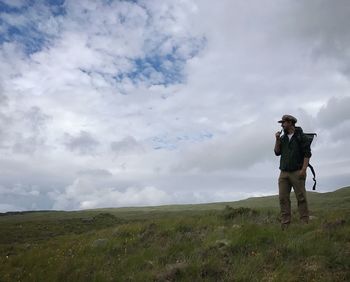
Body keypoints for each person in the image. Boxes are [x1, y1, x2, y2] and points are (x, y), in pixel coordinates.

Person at [274, 115, 311, 230]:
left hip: (297, 171)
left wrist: (303, 170)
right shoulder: (283, 138)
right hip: (283, 173)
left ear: (290, 122)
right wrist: (277, 140)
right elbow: (276, 152)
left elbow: (307, 154)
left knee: (301, 197)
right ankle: (285, 225)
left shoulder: (301, 137)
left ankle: (304, 223)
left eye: (283, 123)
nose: (282, 125)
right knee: (283, 198)